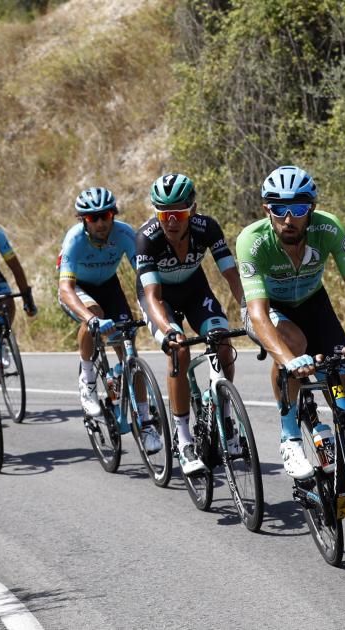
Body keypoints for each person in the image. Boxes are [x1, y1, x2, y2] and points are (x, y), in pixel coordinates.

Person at [237, 165, 345, 543]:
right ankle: (289, 437)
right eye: (279, 208)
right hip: (269, 310)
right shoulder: (252, 241)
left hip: (313, 302)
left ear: (312, 209)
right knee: (294, 344)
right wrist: (288, 360)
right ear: (266, 209)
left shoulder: (328, 228)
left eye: (299, 209)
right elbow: (257, 313)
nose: (289, 218)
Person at [137, 173, 245, 475]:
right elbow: (152, 296)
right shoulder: (147, 238)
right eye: (164, 214)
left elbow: (231, 275)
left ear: (192, 210)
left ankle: (225, 414)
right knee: (179, 351)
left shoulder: (207, 228)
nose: (171, 221)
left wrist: (249, 311)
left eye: (179, 213)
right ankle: (182, 437)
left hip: (195, 290)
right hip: (159, 299)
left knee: (222, 342)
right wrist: (170, 330)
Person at [56, 187, 155, 453]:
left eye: (106, 215)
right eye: (93, 218)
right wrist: (89, 318)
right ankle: (87, 380)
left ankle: (145, 422)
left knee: (128, 350)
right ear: (83, 220)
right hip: (78, 290)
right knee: (95, 316)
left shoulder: (124, 233)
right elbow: (65, 289)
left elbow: (144, 276)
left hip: (109, 286)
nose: (100, 222)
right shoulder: (74, 240)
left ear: (113, 214)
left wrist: (153, 308)